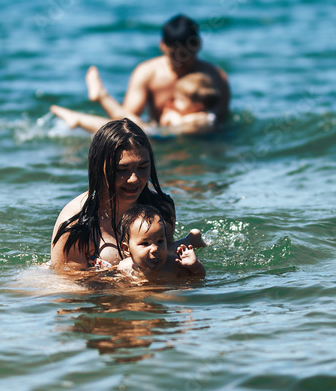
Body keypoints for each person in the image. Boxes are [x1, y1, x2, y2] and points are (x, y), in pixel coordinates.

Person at [50, 119, 204, 271]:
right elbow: (69, 285)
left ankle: (190, 241)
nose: (134, 179)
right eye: (121, 170)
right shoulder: (76, 223)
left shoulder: (160, 207)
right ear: (99, 167)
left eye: (143, 167)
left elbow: (164, 263)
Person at [49, 14, 231, 134]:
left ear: (198, 44)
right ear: (162, 46)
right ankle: (99, 98)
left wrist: (181, 121)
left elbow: (218, 121)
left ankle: (83, 114)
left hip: (197, 136)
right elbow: (126, 121)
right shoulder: (148, 73)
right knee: (131, 131)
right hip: (157, 135)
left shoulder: (215, 76)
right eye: (175, 54)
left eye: (187, 54)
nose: (181, 60)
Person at [50, 72, 219, 135]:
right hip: (157, 136)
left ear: (197, 106)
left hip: (156, 137)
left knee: (125, 124)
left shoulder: (204, 118)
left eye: (180, 100)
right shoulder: (199, 115)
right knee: (123, 124)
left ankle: (100, 98)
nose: (173, 102)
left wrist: (173, 118)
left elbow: (189, 125)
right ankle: (83, 113)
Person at [116, 204, 205, 281]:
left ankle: (194, 238)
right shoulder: (124, 267)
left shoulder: (174, 266)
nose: (155, 248)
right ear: (126, 249)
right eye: (145, 243)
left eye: (160, 241)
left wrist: (194, 266)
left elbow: (199, 278)